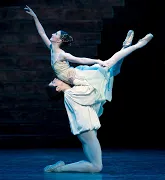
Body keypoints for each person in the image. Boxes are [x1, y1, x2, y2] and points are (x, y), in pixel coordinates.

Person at [24, 5, 153, 173]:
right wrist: (98, 62)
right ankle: (129, 47)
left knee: (109, 68)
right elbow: (75, 56)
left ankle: (131, 46)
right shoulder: (56, 54)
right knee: (109, 69)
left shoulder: (58, 53)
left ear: (59, 41)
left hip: (80, 76)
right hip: (80, 79)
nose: (52, 34)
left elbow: (75, 57)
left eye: (55, 34)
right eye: (54, 82)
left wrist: (34, 17)